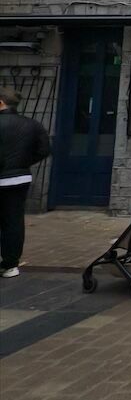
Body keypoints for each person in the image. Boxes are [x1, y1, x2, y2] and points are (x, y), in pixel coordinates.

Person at [0, 88, 51, 279]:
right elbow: (44, 150)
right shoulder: (33, 125)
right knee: (13, 221)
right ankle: (10, 264)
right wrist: (22, 163)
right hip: (19, 178)